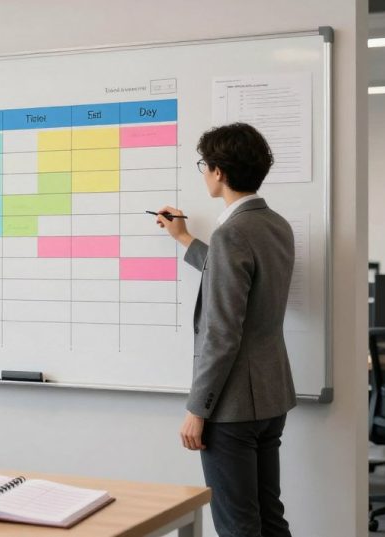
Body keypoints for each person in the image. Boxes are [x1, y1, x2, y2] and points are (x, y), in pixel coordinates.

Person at [155, 122, 296, 537]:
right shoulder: (275, 224)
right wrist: (184, 238)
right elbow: (239, 282)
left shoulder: (231, 234)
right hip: (271, 398)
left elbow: (222, 332)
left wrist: (198, 410)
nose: (203, 173)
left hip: (232, 406)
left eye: (205, 165)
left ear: (219, 172)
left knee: (237, 526)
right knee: (269, 517)